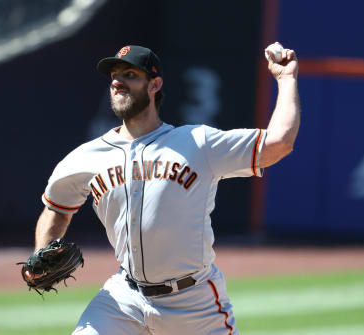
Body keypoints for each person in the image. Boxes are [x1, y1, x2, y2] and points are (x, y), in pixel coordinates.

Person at [27, 43, 300, 335]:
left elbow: (279, 142)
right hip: (124, 297)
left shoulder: (197, 143)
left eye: (130, 74)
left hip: (193, 302)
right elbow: (56, 208)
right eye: (114, 75)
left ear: (155, 84)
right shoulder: (85, 157)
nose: (118, 81)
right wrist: (41, 253)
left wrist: (286, 80)